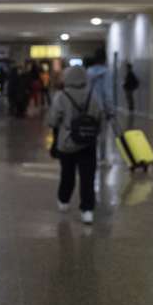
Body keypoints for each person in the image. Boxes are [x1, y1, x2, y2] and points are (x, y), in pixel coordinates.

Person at [48, 64, 106, 224]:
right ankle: (87, 210)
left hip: (66, 143)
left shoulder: (61, 96)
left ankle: (63, 201)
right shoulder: (93, 96)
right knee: (87, 177)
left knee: (67, 174)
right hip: (88, 143)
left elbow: (53, 120)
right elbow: (99, 120)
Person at [84, 49, 115, 165]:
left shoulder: (88, 72)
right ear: (104, 59)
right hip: (101, 108)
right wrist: (110, 110)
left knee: (89, 132)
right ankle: (102, 158)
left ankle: (89, 156)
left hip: (89, 107)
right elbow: (107, 93)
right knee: (102, 133)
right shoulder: (106, 73)